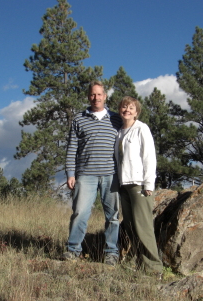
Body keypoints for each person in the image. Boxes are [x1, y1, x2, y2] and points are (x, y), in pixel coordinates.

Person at [63, 81, 122, 266]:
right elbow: (72, 148)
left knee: (112, 216)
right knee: (79, 212)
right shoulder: (79, 120)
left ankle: (111, 252)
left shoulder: (117, 119)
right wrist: (70, 173)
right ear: (88, 96)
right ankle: (73, 250)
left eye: (99, 94)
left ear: (105, 96)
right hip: (85, 175)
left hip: (111, 175)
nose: (95, 98)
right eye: (92, 95)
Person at [115, 96, 163, 276]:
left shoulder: (141, 129)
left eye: (131, 108)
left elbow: (149, 156)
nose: (127, 110)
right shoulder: (119, 132)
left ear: (136, 112)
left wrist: (148, 183)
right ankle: (140, 264)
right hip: (123, 185)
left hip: (139, 185)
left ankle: (154, 268)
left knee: (143, 227)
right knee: (130, 227)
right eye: (124, 107)